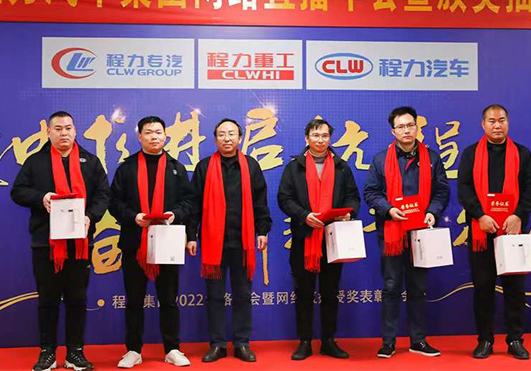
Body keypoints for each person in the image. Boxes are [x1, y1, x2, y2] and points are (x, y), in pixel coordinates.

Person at [11, 111, 110, 371]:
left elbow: (103, 195)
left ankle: (75, 352)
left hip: (80, 243)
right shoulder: (35, 161)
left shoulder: (90, 162)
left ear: (75, 131)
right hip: (46, 243)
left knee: (77, 298)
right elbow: (17, 191)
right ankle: (48, 352)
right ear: (48, 132)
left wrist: (90, 216)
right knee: (48, 298)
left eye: (68, 128)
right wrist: (41, 197)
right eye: (58, 128)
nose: (63, 133)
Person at [364, 106, 449, 359]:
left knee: (418, 287)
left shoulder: (431, 158)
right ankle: (388, 342)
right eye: (401, 126)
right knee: (391, 286)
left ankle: (418, 340)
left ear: (417, 127)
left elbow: (442, 190)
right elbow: (371, 192)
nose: (406, 130)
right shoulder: (381, 160)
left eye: (410, 125)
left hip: (421, 232)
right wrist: (388, 209)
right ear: (393, 131)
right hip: (392, 232)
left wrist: (433, 211)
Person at [109, 116, 195, 368]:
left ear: (165, 136)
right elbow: (114, 202)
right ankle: (133, 350)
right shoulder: (127, 168)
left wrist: (174, 214)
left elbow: (189, 202)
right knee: (134, 299)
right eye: (148, 132)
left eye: (158, 132)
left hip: (167, 241)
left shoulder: (176, 168)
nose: (154, 136)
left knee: (168, 299)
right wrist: (133, 217)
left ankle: (172, 348)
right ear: (139, 136)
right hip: (135, 242)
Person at [457, 104, 531, 360]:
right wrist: (480, 215)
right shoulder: (471, 153)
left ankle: (515, 339)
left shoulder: (522, 154)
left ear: (508, 123)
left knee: (515, 289)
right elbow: (464, 189)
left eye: (501, 120)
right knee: (483, 288)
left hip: (513, 232)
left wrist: (518, 215)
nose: (497, 125)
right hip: (481, 232)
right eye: (491, 121)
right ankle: (485, 340)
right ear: (483, 124)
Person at [187, 119, 272, 363]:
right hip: (213, 242)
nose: (227, 138)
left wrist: (262, 231)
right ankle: (217, 344)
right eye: (222, 134)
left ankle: (242, 343)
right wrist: (191, 235)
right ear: (215, 139)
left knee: (243, 294)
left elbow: (260, 202)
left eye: (232, 134)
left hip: (242, 242)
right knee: (214, 295)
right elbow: (194, 205)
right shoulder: (204, 167)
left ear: (240, 138)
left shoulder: (251, 166)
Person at [277, 118, 361, 360]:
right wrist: (304, 216)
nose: (320, 140)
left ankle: (328, 341)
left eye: (325, 136)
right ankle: (304, 341)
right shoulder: (295, 167)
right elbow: (284, 198)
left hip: (334, 240)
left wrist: (349, 213)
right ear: (307, 138)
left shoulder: (342, 167)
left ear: (330, 138)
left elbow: (353, 197)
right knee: (303, 293)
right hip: (304, 239)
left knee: (330, 293)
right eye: (315, 135)